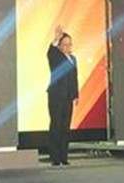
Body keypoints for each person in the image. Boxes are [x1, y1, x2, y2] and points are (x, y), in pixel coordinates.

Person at [47, 25, 79, 166]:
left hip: (68, 97)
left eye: (69, 44)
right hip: (56, 96)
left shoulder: (73, 59)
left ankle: (64, 157)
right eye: (64, 44)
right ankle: (55, 157)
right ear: (59, 46)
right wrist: (55, 39)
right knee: (56, 126)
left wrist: (75, 95)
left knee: (65, 127)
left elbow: (74, 78)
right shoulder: (56, 57)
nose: (67, 47)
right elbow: (50, 52)